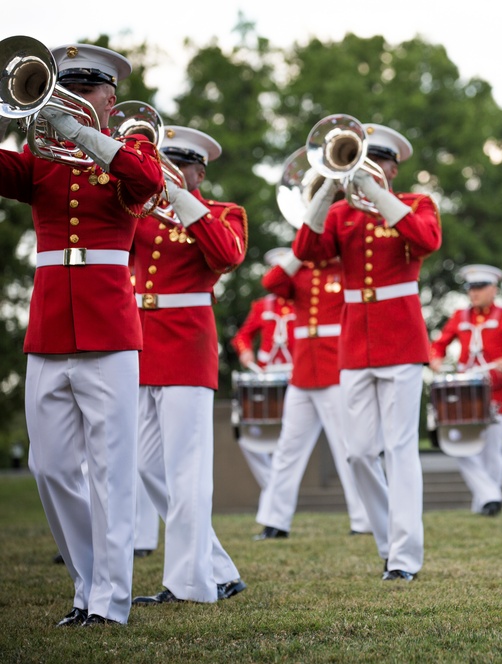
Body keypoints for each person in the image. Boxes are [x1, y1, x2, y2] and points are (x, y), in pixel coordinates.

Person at [0, 43, 163, 626]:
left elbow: (144, 181)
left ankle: (110, 601)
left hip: (110, 332)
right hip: (46, 328)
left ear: (108, 98)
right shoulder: (40, 155)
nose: (67, 97)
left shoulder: (132, 148)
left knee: (112, 471)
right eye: (60, 87)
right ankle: (86, 583)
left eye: (82, 87)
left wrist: (79, 130)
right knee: (50, 470)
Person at [293, 122, 441, 581]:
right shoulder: (342, 215)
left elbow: (426, 241)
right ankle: (386, 540)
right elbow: (306, 249)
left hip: (401, 338)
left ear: (393, 167)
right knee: (357, 453)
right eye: (362, 157)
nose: (368, 166)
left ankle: (405, 556)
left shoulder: (415, 204)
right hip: (356, 340)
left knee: (399, 450)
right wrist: (328, 188)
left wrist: (375, 193)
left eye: (378, 160)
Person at [131, 126, 247, 606]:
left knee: (187, 473)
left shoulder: (222, 214)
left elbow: (226, 255)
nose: (173, 169)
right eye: (166, 161)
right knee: (145, 465)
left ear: (200, 171)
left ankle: (189, 583)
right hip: (139, 342)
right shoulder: (138, 211)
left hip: (187, 344)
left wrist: (180, 196)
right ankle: (218, 568)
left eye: (182, 163)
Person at [252, 248, 374, 539]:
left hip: (335, 367)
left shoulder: (345, 267)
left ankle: (364, 520)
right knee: (287, 450)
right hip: (304, 369)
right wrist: (301, 249)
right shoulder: (300, 269)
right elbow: (271, 283)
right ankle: (275, 521)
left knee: (347, 448)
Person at [428, 264, 502, 516]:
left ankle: (485, 503)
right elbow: (439, 344)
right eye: (471, 288)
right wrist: (435, 359)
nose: (474, 293)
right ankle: (490, 497)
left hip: (495, 391)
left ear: (493, 289)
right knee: (459, 446)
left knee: (492, 451)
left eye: (480, 287)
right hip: (465, 392)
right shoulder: (459, 316)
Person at [229, 257, 296, 490]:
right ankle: (274, 490)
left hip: (298, 378)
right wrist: (245, 352)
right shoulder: (262, 306)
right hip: (266, 376)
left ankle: (277, 493)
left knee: (290, 441)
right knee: (250, 438)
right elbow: (241, 336)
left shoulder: (304, 302)